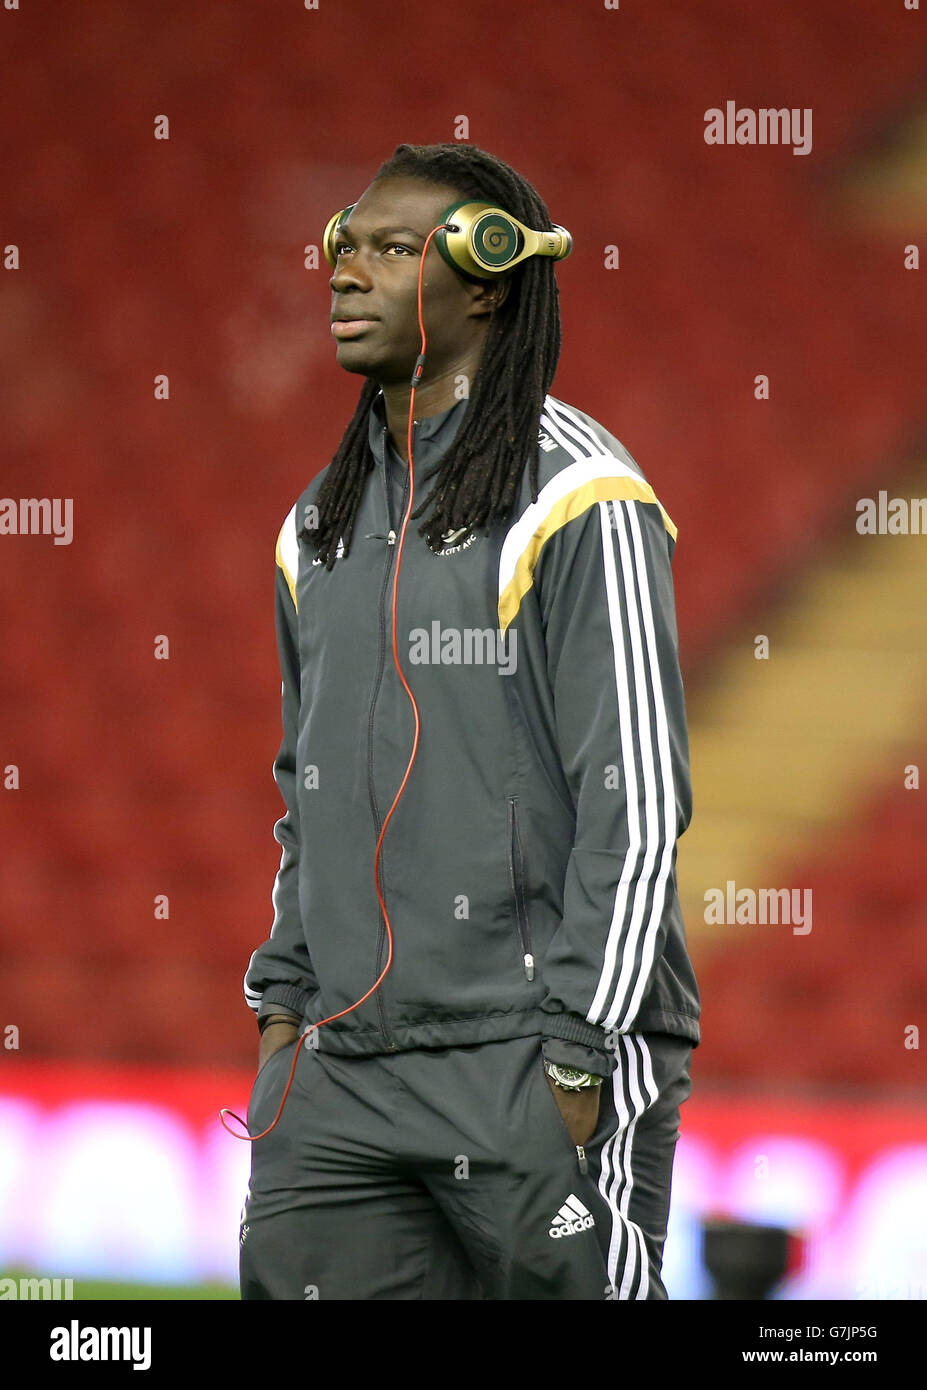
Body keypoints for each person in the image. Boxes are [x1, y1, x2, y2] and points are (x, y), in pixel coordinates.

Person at [238, 141, 700, 1301]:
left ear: (486, 276)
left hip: (530, 1057)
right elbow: (306, 798)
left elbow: (635, 799)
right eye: (348, 247)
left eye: (392, 251)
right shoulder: (318, 524)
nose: (345, 274)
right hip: (340, 1072)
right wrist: (285, 1019)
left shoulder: (577, 492)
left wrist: (575, 1051)